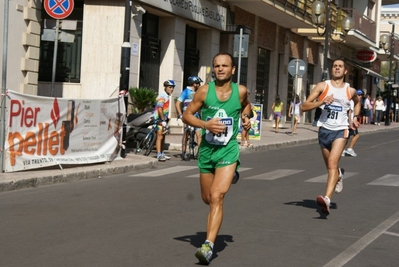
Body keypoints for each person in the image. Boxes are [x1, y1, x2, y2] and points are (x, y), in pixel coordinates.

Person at [182, 52, 251, 264]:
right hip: (207, 151)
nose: (220, 69)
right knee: (207, 198)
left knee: (217, 197)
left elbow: (246, 106)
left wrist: (246, 118)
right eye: (216, 66)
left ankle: (208, 246)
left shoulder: (240, 91)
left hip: (228, 150)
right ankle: (231, 176)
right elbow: (187, 115)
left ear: (233, 70)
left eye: (224, 65)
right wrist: (205, 124)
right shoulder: (204, 92)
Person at [301, 59, 360, 215]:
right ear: (332, 69)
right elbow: (304, 106)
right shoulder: (323, 86)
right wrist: (321, 101)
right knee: (330, 167)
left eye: (340, 66)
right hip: (324, 130)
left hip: (341, 130)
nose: (337, 68)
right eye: (335, 66)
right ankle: (339, 175)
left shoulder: (350, 90)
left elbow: (357, 102)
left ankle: (327, 199)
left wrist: (355, 117)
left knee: (332, 163)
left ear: (345, 71)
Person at [175, 76, 203, 160]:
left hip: (196, 116)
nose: (199, 84)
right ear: (194, 84)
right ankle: (183, 152)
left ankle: (200, 153)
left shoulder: (198, 92)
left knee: (199, 135)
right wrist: (180, 114)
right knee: (186, 134)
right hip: (187, 116)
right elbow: (177, 103)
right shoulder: (186, 92)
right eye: (198, 83)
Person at [153, 80, 174, 162]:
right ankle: (158, 154)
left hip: (163, 119)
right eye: (170, 87)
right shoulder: (162, 95)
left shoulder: (166, 95)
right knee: (160, 136)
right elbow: (160, 108)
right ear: (165, 87)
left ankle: (161, 152)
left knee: (163, 136)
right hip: (159, 119)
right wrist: (162, 119)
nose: (171, 89)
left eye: (172, 87)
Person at [342, 89, 363, 157]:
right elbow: (349, 112)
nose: (360, 96)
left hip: (350, 121)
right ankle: (350, 149)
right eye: (358, 95)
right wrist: (351, 122)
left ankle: (342, 150)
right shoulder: (351, 101)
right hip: (349, 121)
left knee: (346, 137)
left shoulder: (355, 102)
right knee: (356, 135)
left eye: (361, 95)